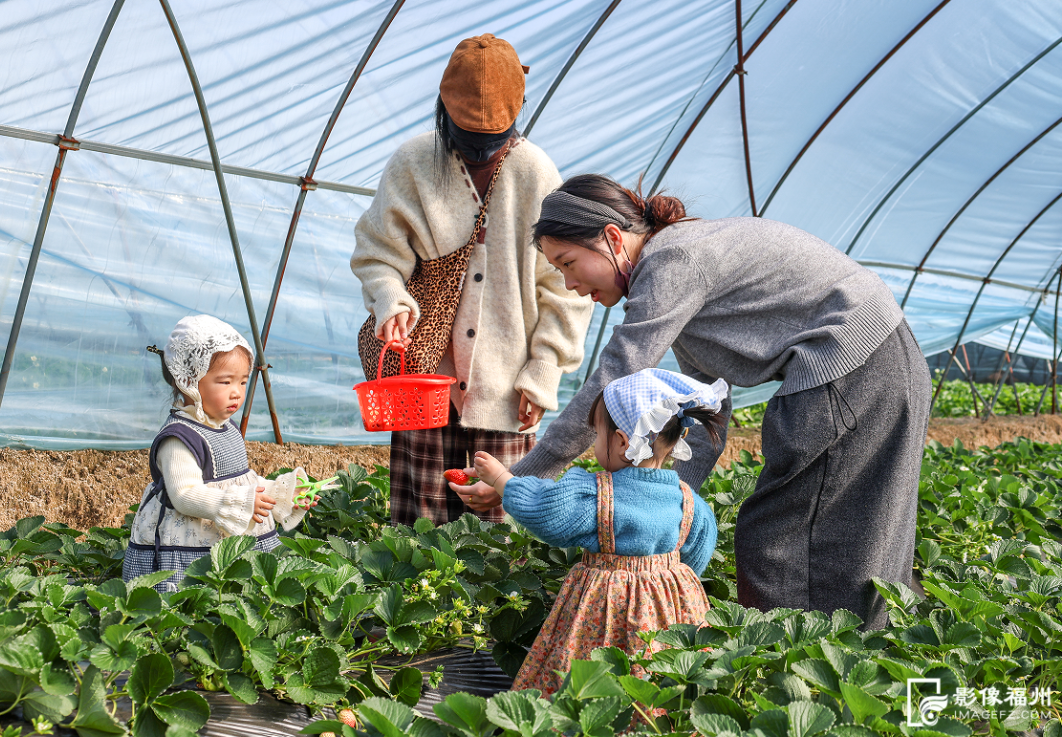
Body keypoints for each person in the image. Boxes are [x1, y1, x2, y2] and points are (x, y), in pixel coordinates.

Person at [453, 174, 932, 630]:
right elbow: (703, 408)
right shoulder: (685, 264)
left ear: (613, 238)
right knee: (865, 524)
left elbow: (613, 378)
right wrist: (664, 498)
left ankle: (794, 671)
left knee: (783, 538)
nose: (570, 285)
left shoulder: (672, 263)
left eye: (568, 263)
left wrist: (523, 477)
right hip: (881, 357)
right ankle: (871, 650)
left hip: (850, 366)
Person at [350, 33, 592, 527]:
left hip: (507, 390)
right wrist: (391, 301)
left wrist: (542, 372)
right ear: (443, 108)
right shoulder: (413, 163)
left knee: (503, 535)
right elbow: (377, 255)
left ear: (517, 114)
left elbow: (563, 289)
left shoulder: (537, 173)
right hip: (423, 384)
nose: (481, 154)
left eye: (494, 143)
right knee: (420, 534)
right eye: (466, 141)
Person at [466, 368, 724, 695]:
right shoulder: (688, 501)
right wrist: (666, 582)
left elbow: (547, 511)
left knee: (588, 682)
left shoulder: (599, 496)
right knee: (663, 684)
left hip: (602, 611)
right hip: (670, 612)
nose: (596, 443)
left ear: (621, 442)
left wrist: (503, 480)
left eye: (598, 435)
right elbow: (698, 554)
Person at [123, 315, 315, 592]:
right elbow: (185, 496)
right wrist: (238, 504)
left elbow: (241, 482)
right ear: (188, 381)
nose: (236, 393)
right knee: (196, 599)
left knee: (244, 594)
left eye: (243, 382)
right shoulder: (179, 439)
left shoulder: (226, 428)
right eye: (225, 382)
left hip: (226, 535)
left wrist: (282, 494)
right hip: (192, 542)